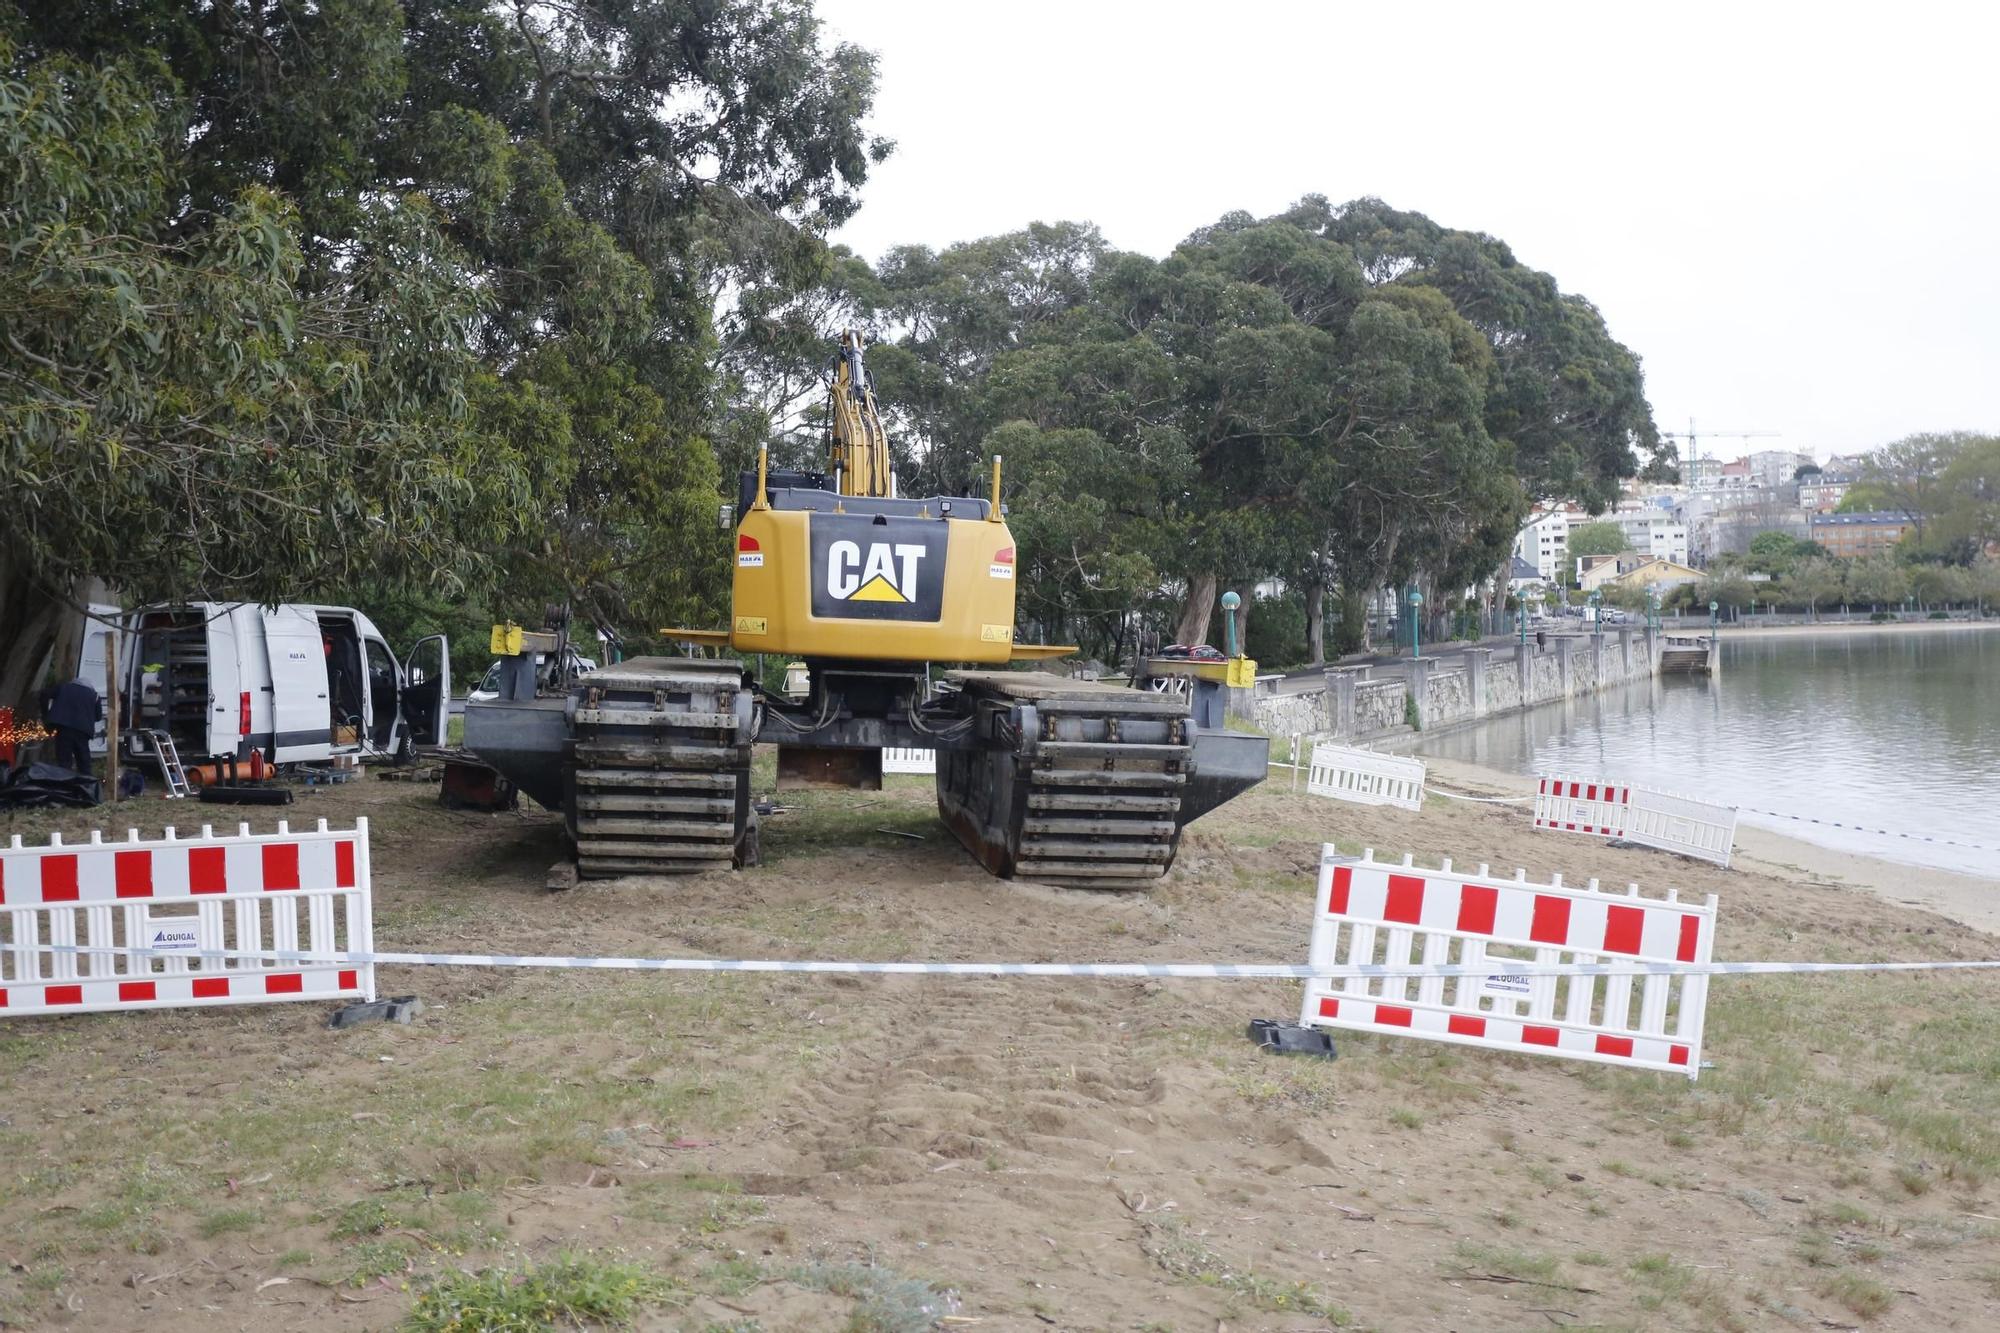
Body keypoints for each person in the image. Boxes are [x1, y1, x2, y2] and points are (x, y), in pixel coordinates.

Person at [39, 674, 99, 775]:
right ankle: (85, 786)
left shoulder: (64, 687)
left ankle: (64, 786)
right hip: (82, 733)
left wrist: (46, 716)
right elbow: (98, 716)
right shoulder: (94, 695)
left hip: (64, 730)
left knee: (64, 763)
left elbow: (44, 694)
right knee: (84, 765)